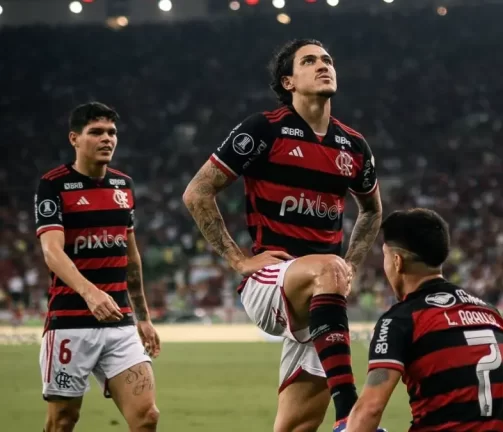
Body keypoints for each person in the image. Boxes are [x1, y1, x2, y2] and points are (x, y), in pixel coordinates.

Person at [182, 39, 384, 432]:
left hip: (322, 299)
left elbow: (373, 210)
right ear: (288, 82)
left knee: (295, 426)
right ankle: (352, 417)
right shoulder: (264, 129)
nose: (323, 65)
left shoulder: (354, 146)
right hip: (270, 281)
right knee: (329, 266)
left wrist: (352, 268)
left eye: (328, 59)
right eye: (309, 61)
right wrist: (238, 260)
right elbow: (197, 192)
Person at [346, 208, 503, 432]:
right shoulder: (492, 315)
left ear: (397, 261)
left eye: (385, 257)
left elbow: (370, 409)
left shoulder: (401, 319)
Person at [35, 102, 161, 432]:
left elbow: (131, 259)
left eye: (112, 132)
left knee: (147, 417)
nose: (107, 139)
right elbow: (52, 251)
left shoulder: (123, 186)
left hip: (120, 323)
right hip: (70, 324)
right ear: (75, 138)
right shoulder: (53, 185)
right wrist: (91, 294)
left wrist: (144, 318)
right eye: (96, 132)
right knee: (63, 420)